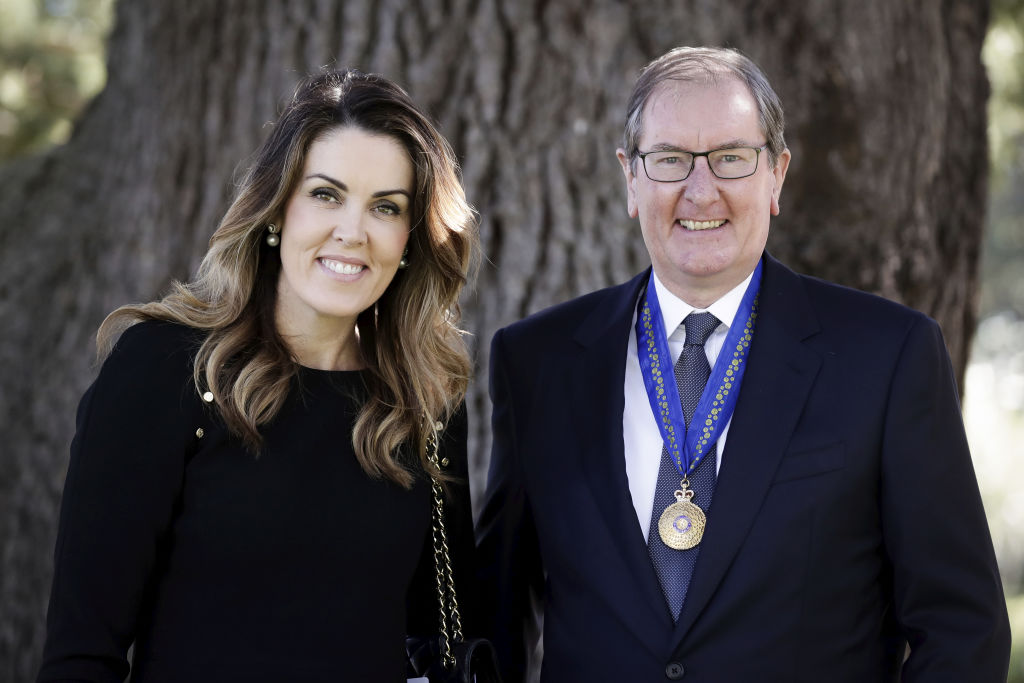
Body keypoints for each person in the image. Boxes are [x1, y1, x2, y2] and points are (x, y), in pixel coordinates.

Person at [476, 46, 1011, 682]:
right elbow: (496, 626)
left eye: (732, 158)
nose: (701, 191)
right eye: (671, 160)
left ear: (776, 175)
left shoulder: (887, 357)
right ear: (630, 178)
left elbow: (961, 628)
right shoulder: (538, 363)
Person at [37, 69, 480, 682]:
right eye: (326, 194)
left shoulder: (424, 401)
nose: (353, 231)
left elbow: (442, 637)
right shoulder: (165, 371)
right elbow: (82, 654)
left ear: (409, 239)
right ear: (277, 210)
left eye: (386, 207)